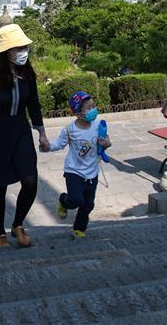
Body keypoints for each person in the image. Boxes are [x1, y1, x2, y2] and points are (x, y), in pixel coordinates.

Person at [0, 24, 49, 248]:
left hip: (20, 130)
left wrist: (41, 133)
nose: (23, 51)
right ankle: (0, 233)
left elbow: (34, 104)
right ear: (7, 50)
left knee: (30, 180)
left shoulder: (26, 71)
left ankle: (18, 224)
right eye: (18, 47)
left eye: (24, 46)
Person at [43, 91, 112, 238]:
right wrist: (48, 146)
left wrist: (107, 144)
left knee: (88, 204)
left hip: (92, 172)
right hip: (74, 171)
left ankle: (79, 229)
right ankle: (63, 200)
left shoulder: (98, 125)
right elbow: (59, 144)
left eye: (93, 106)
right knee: (76, 200)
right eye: (88, 108)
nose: (93, 110)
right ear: (77, 113)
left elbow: (106, 141)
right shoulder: (70, 129)